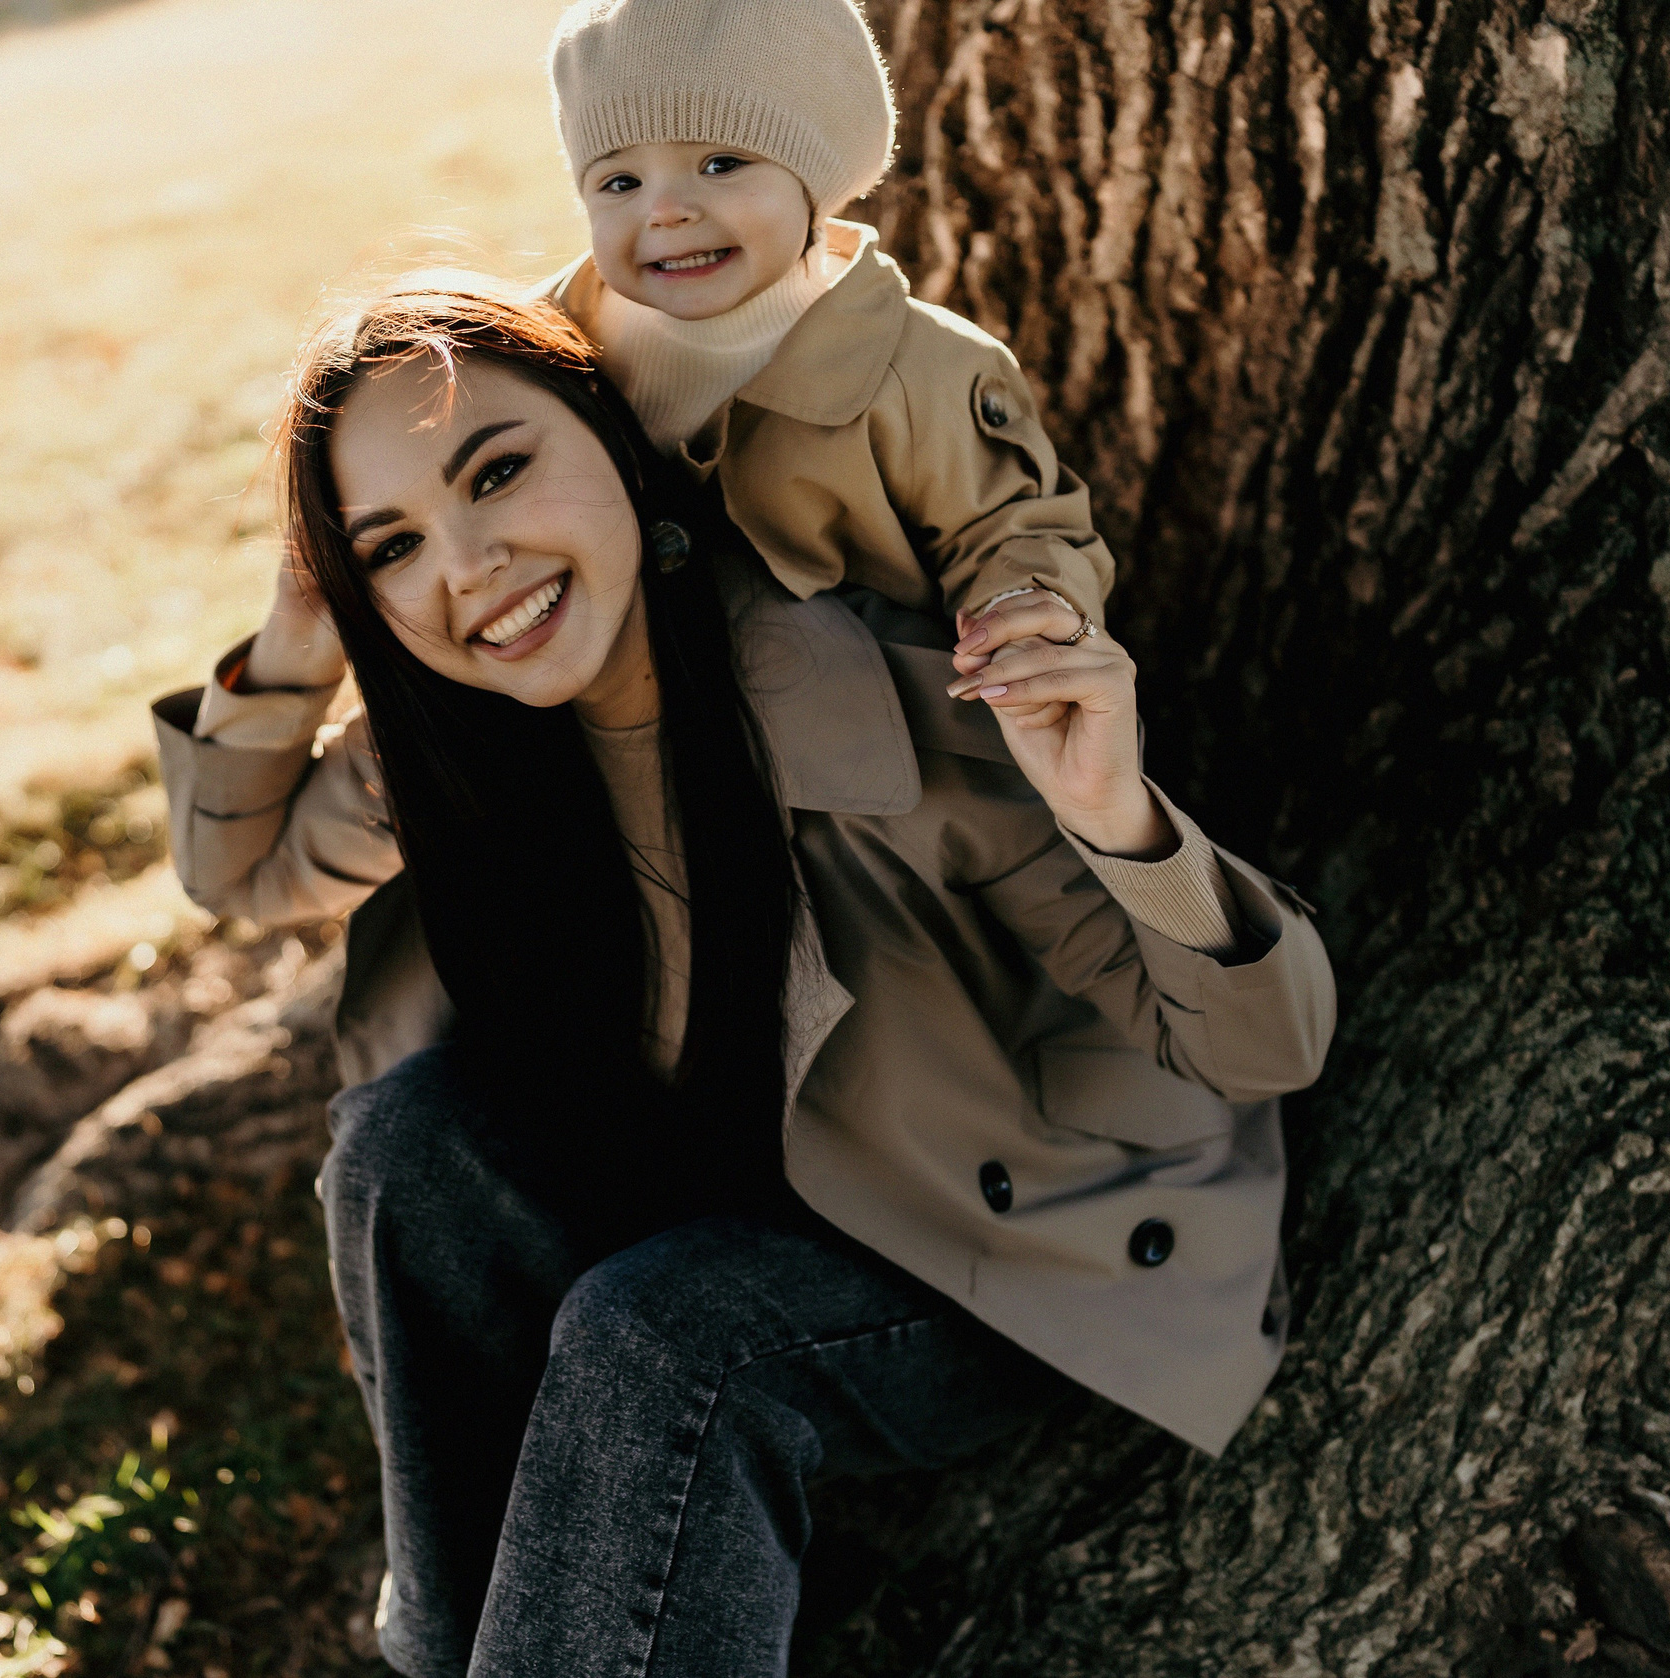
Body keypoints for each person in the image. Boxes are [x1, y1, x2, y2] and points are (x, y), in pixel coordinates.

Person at [152, 285, 1334, 1677]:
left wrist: (1114, 814)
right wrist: (298, 637)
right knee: (406, 1146)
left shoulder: (885, 705)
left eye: (500, 471)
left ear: (617, 442)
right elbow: (234, 868)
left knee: (663, 1332)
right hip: (683, 1209)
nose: (469, 566)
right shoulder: (453, 756)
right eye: (393, 547)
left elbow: (1262, 1049)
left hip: (968, 1258)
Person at [543, 0, 1119, 712]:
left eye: (721, 164)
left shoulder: (921, 370)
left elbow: (1008, 526)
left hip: (871, 730)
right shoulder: (542, 344)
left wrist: (1020, 605)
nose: (664, 211)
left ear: (814, 181)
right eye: (620, 183)